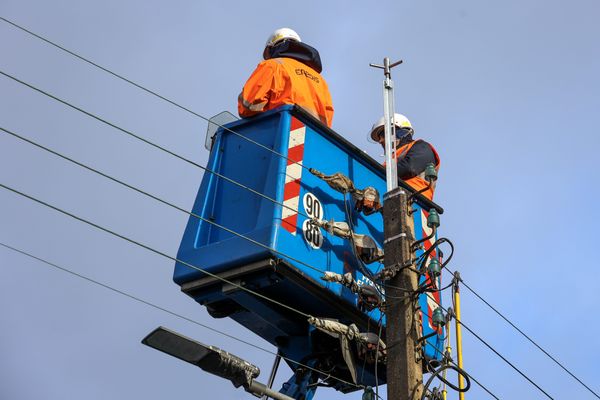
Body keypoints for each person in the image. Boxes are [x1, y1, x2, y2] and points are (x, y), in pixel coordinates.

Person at [238, 28, 334, 127]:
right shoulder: (320, 80)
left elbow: (249, 105)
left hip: (280, 129)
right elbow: (327, 120)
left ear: (269, 49)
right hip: (313, 138)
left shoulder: (273, 65)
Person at [369, 113, 440, 200]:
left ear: (401, 132)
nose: (380, 141)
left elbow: (409, 168)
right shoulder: (390, 161)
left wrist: (375, 172)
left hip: (416, 204)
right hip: (394, 201)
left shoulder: (422, 147)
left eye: (383, 134)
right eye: (379, 138)